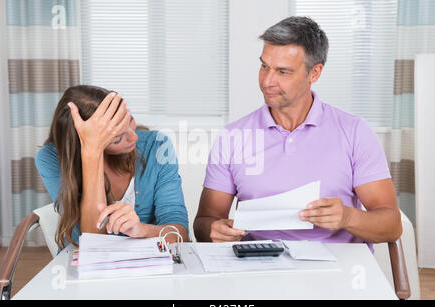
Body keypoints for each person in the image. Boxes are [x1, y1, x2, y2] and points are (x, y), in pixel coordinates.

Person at [193, 16, 402, 250]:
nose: (267, 81)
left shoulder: (354, 132)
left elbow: (392, 225)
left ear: (314, 73)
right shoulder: (233, 136)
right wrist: (214, 230)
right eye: (264, 66)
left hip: (337, 272)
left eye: (283, 72)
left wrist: (348, 217)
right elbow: (204, 223)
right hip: (258, 268)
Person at [35, 85, 189, 250]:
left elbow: (180, 235)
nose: (133, 136)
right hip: (85, 267)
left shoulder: (157, 146)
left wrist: (141, 230)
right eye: (117, 139)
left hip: (147, 265)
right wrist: (92, 153)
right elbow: (92, 240)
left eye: (130, 120)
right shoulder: (50, 158)